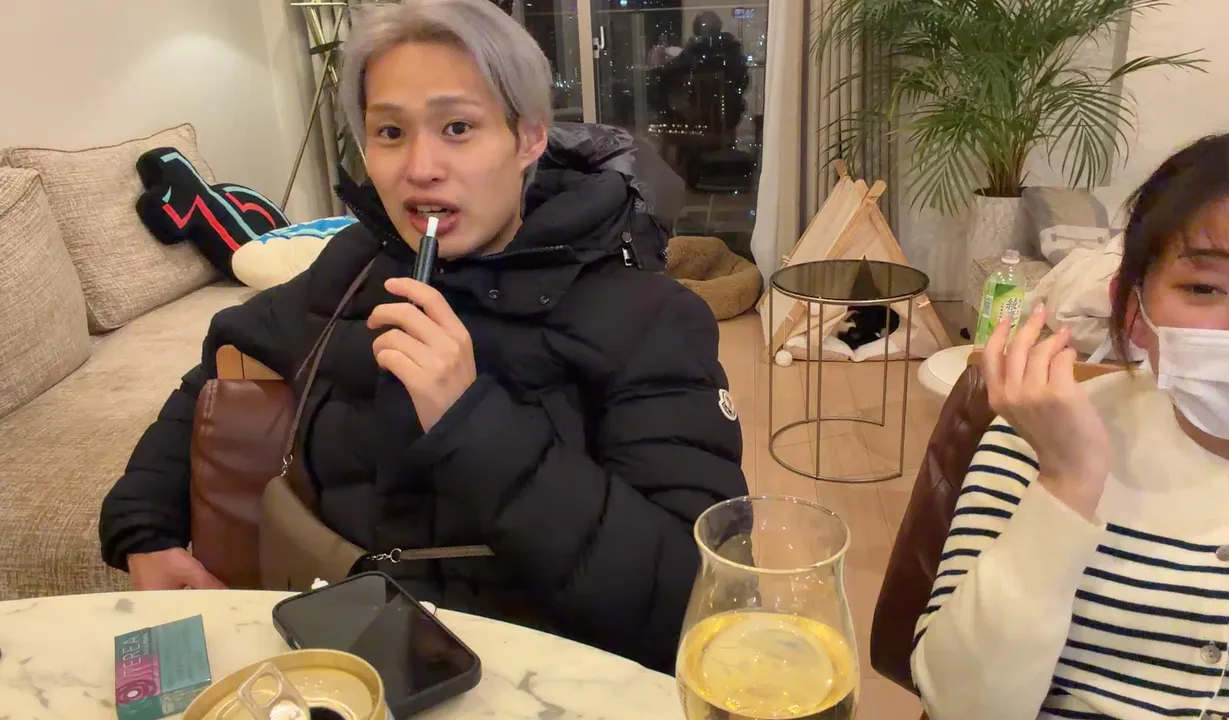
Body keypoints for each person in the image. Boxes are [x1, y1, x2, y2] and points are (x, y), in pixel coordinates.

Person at [99, 0, 746, 672]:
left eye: (458, 127)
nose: (421, 167)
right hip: (343, 655)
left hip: (534, 676)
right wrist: (145, 528)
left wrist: (471, 419)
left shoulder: (649, 318)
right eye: (390, 132)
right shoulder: (355, 266)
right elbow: (221, 365)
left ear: (528, 138)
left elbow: (694, 596)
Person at [913, 125, 1229, 719]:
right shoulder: (1038, 436)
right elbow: (961, 705)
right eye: (1205, 287)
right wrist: (1066, 482)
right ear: (1134, 312)